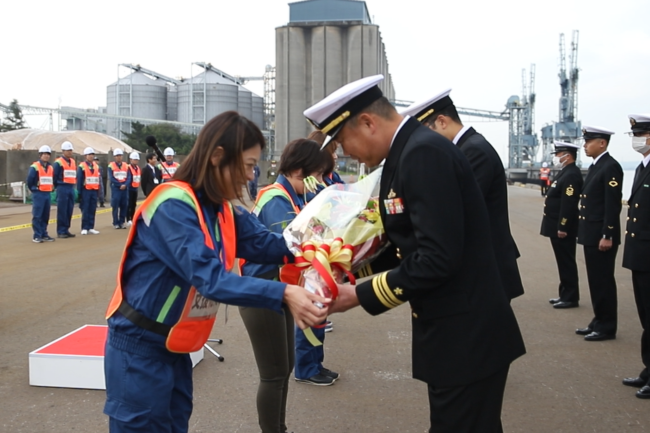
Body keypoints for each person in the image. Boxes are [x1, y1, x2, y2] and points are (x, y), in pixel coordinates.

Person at [306, 74, 525, 432]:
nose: (345, 152)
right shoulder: (409, 152)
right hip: (454, 330)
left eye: (343, 141)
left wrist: (358, 294)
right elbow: (409, 245)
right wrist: (342, 272)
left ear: (367, 122)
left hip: (466, 334)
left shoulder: (422, 154)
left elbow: (438, 257)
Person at [103, 111, 330, 433]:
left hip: (175, 344)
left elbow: (265, 244)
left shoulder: (222, 206)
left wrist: (322, 243)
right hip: (141, 347)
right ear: (218, 157)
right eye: (249, 165)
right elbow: (210, 279)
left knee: (174, 423)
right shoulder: (173, 206)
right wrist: (283, 292)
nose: (251, 176)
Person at [241, 138, 335, 432]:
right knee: (273, 374)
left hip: (281, 290)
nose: (320, 181)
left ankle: (279, 427)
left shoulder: (293, 196)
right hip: (262, 290)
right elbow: (297, 246)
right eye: (317, 175)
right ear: (298, 170)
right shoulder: (277, 199)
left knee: (284, 370)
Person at [400, 89, 524, 301]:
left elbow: (456, 206)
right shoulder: (466, 148)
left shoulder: (474, 151)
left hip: (488, 263)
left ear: (441, 121)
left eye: (425, 132)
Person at [576, 126, 623, 341]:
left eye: (589, 142)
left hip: (601, 236)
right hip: (591, 233)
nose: (585, 146)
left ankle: (607, 325)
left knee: (603, 280)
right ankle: (598, 319)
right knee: (595, 280)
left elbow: (612, 205)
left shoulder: (610, 167)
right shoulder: (596, 166)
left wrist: (608, 234)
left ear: (602, 143)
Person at [622, 114, 650, 398]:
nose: (636, 139)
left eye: (641, 134)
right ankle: (648, 369)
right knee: (646, 316)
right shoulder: (644, 167)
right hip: (640, 253)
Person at [541, 141, 583, 308]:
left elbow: (569, 204)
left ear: (568, 156)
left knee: (566, 261)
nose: (557, 158)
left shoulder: (572, 174)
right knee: (562, 261)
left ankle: (571, 297)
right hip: (555, 225)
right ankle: (564, 293)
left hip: (563, 227)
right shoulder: (565, 172)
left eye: (559, 154)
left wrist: (563, 226)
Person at [26, 145, 56, 243]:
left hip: (47, 193)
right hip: (39, 194)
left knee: (45, 215)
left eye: (48, 154)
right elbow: (30, 180)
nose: (46, 156)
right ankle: (37, 235)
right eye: (44, 154)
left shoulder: (50, 167)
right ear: (40, 155)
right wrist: (34, 189)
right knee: (37, 215)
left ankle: (44, 233)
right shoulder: (35, 166)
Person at [53, 141, 77, 238]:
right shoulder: (58, 162)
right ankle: (61, 230)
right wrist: (57, 186)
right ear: (63, 151)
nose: (69, 152)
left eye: (70, 150)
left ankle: (66, 229)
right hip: (62, 187)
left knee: (69, 209)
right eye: (67, 150)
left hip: (70, 187)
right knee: (62, 210)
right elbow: (54, 176)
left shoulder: (73, 161)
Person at [76, 147, 101, 235]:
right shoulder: (82, 166)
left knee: (92, 208)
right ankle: (84, 227)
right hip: (86, 190)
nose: (91, 156)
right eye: (89, 155)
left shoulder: (96, 166)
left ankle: (91, 227)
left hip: (94, 190)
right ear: (85, 156)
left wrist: (99, 191)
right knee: (85, 209)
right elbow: (79, 179)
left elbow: (98, 179)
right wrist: (79, 192)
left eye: (92, 155)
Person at [108, 149, 128, 229]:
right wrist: (119, 184)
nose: (119, 157)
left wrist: (125, 184)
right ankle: (116, 222)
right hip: (116, 188)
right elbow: (111, 177)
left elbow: (129, 177)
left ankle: (122, 222)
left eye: (120, 156)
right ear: (114, 157)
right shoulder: (111, 165)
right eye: (117, 156)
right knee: (115, 205)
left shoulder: (126, 165)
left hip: (124, 188)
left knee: (124, 205)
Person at [126, 152, 141, 227]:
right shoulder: (128, 167)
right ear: (131, 160)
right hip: (129, 188)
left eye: (137, 160)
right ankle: (128, 219)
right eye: (134, 160)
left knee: (133, 204)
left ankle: (132, 218)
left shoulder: (138, 168)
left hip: (135, 188)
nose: (136, 161)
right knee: (128, 204)